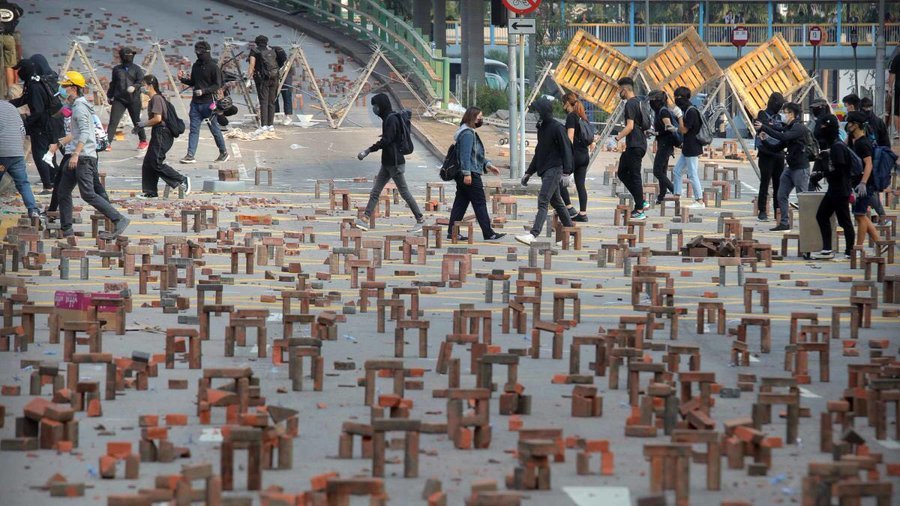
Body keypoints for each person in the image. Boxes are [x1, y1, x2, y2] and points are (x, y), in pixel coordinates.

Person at [55, 71, 129, 239]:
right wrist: (59, 144)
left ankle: (119, 219)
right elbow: (73, 132)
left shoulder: (80, 107)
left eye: (65, 87)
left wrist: (75, 155)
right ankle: (66, 229)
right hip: (78, 155)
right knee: (63, 191)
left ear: (73, 88)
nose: (63, 89)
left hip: (83, 157)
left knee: (87, 193)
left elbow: (85, 133)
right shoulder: (76, 106)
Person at [354, 93, 425, 233]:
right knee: (375, 192)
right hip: (387, 163)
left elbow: (387, 140)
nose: (374, 109)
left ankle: (420, 219)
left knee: (404, 192)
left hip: (395, 163)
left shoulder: (391, 119)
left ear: (382, 106)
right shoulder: (387, 118)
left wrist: (368, 150)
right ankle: (365, 219)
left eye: (375, 106)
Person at [515, 97, 575, 245]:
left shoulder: (557, 128)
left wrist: (567, 172)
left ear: (543, 112)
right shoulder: (541, 128)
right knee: (557, 202)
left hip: (554, 170)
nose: (535, 114)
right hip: (545, 170)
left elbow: (567, 149)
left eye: (537, 111)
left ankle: (533, 234)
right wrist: (529, 172)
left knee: (543, 200)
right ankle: (571, 235)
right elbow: (539, 152)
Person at [447, 107, 505, 242]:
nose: (481, 120)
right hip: (470, 174)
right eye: (479, 117)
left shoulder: (465, 132)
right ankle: (488, 233)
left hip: (466, 173)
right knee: (479, 203)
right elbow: (465, 155)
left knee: (460, 203)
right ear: (472, 118)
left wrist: (488, 165)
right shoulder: (467, 134)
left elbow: (475, 155)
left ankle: (452, 231)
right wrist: (467, 174)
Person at [755, 101, 811, 232]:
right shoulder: (789, 127)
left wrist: (763, 127)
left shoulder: (798, 128)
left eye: (785, 113)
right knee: (781, 194)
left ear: (792, 114)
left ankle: (808, 225)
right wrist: (764, 141)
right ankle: (784, 223)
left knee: (802, 198)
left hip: (800, 168)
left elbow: (782, 136)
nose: (783, 115)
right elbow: (776, 147)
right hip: (790, 168)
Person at [136, 75, 191, 200]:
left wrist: (143, 124)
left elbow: (158, 119)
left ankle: (182, 180)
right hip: (158, 132)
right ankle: (150, 192)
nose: (142, 88)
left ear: (150, 85)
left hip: (162, 133)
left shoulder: (156, 99)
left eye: (144, 85)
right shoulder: (154, 99)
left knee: (155, 161)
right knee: (148, 162)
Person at [178, 40, 228, 164]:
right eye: (197, 51)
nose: (198, 54)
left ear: (206, 52)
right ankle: (190, 155)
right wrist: (182, 79)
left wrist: (204, 91)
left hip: (209, 104)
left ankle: (223, 152)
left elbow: (218, 84)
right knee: (194, 129)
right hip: (195, 104)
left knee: (214, 128)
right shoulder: (196, 66)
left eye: (200, 51)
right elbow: (193, 82)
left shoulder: (213, 66)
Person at [9, 58, 55, 193]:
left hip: (41, 126)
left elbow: (38, 110)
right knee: (47, 155)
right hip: (44, 124)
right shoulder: (31, 83)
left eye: (20, 70)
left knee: (40, 155)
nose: (18, 74)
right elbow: (24, 99)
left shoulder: (34, 86)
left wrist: (24, 124)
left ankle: (48, 185)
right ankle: (53, 180)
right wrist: (8, 103)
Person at [809, 132, 855, 260]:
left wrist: (824, 174)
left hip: (840, 191)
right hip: (833, 190)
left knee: (844, 221)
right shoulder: (831, 148)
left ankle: (850, 251)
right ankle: (827, 249)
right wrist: (818, 175)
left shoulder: (837, 147)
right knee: (822, 215)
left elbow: (839, 171)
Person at [611, 77, 648, 220]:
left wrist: (616, 138)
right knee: (622, 173)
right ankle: (641, 201)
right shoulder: (639, 101)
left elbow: (630, 126)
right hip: (638, 143)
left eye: (619, 90)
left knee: (634, 175)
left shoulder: (630, 104)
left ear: (625, 90)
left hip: (635, 144)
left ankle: (640, 210)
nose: (618, 93)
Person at [846, 111, 880, 249]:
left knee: (860, 215)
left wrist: (863, 183)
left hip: (865, 184)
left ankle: (858, 247)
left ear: (856, 125)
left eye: (849, 123)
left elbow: (869, 164)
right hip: (857, 182)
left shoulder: (863, 143)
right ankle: (879, 242)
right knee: (860, 215)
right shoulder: (852, 140)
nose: (847, 125)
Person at [0, 99, 40, 217]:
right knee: (23, 183)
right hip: (17, 152)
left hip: (2, 154)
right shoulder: (11, 108)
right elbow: (22, 129)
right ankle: (33, 210)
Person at [559, 92, 593, 222]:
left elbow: (570, 137)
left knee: (559, 181)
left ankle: (569, 207)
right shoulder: (582, 116)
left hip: (575, 156)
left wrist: (566, 155)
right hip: (584, 156)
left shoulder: (571, 116)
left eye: (563, 102)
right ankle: (583, 214)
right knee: (580, 185)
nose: (563, 105)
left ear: (567, 102)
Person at [106, 46, 147, 150]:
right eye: (128, 55)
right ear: (122, 56)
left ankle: (143, 141)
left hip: (134, 99)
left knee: (136, 121)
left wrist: (134, 86)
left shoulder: (137, 69)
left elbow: (141, 81)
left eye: (131, 55)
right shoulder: (117, 69)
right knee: (113, 121)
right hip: (119, 99)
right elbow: (113, 83)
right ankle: (107, 143)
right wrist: (109, 96)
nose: (130, 57)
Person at [671, 86, 705, 209]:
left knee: (692, 174)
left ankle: (699, 201)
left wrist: (679, 117)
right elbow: (681, 129)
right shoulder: (686, 110)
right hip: (687, 147)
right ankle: (676, 198)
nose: (675, 100)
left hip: (693, 147)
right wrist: (675, 127)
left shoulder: (691, 111)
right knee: (677, 171)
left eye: (677, 98)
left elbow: (684, 130)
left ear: (683, 98)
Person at [754, 92, 787, 221]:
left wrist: (770, 127)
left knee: (779, 184)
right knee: (765, 183)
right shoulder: (762, 114)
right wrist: (774, 128)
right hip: (765, 154)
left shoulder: (780, 116)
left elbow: (784, 130)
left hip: (779, 153)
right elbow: (761, 127)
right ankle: (762, 210)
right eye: (778, 104)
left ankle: (777, 211)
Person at [246, 35, 279, 135]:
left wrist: (248, 79)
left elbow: (251, 66)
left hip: (263, 79)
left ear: (256, 42)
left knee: (263, 101)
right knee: (271, 102)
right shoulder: (272, 50)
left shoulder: (255, 51)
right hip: (274, 78)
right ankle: (271, 125)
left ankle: (264, 125)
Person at [649, 89, 676, 205]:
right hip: (664, 143)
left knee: (657, 171)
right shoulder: (660, 111)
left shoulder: (663, 112)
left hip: (666, 144)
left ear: (657, 101)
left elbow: (669, 128)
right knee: (662, 171)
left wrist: (657, 133)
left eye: (652, 101)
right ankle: (661, 196)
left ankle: (675, 191)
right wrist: (655, 133)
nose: (650, 104)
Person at [0, 1, 23, 92]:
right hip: (9, 37)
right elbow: (20, 13)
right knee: (10, 65)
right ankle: (11, 89)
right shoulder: (13, 7)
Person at [273, 45, 293, 125]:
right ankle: (275, 114)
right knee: (274, 97)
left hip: (285, 78)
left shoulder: (286, 63)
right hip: (275, 77)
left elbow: (286, 70)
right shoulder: (273, 60)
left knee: (286, 96)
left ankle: (287, 116)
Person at [889, 49, 899, 139]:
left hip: (899, 87)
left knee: (897, 112)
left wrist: (890, 88)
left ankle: (898, 132)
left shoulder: (897, 59)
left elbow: (892, 74)